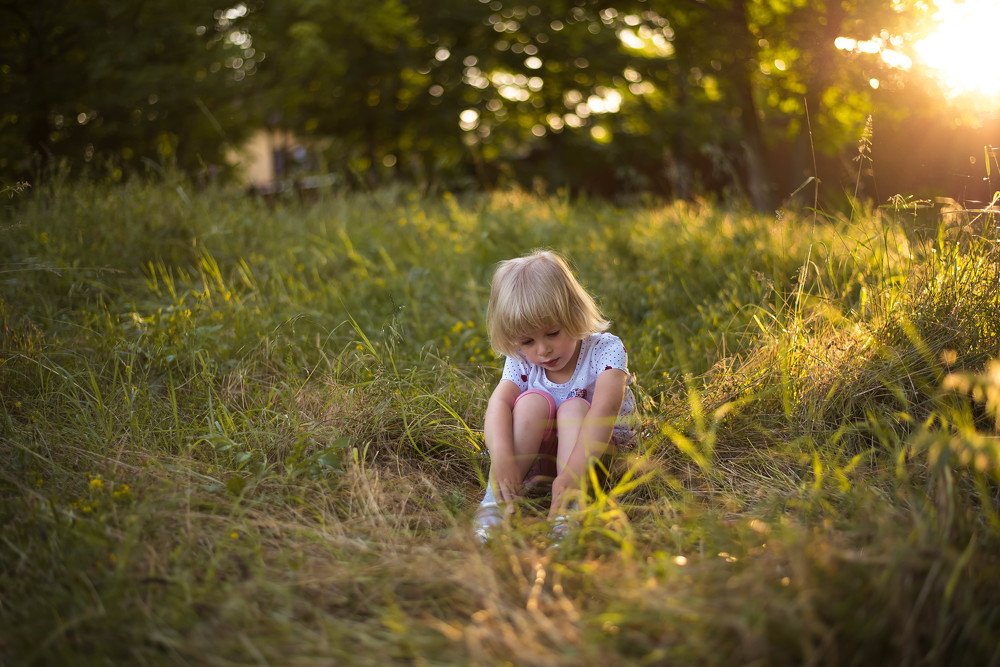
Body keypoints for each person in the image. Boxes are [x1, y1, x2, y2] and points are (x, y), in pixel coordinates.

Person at [474, 250, 636, 542]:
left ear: (573, 314)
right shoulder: (522, 359)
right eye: (527, 341)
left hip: (594, 457)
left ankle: (569, 510)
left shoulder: (605, 351)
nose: (542, 350)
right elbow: (498, 404)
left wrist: (573, 473)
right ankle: (496, 499)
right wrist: (502, 460)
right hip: (541, 459)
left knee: (574, 407)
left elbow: (604, 412)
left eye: (552, 333)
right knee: (531, 402)